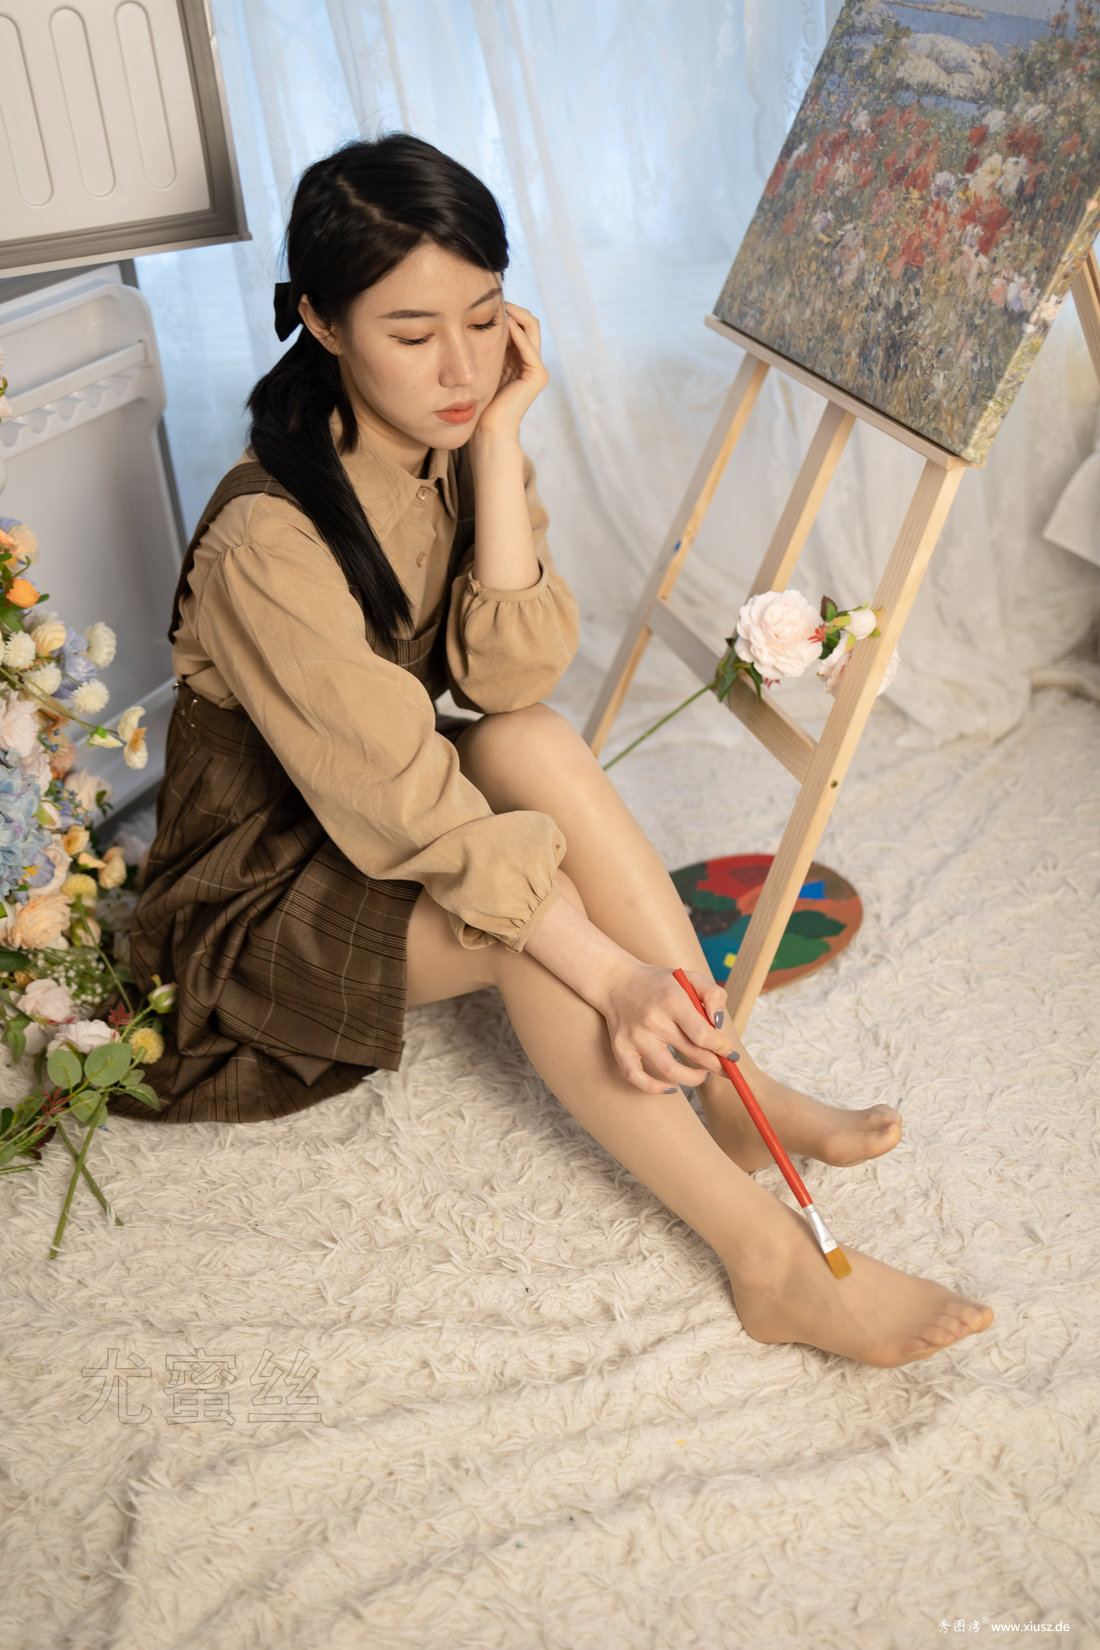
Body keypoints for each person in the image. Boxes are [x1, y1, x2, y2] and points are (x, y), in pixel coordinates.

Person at [118, 134, 993, 1369]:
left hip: (361, 825)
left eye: (484, 319)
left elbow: (507, 682)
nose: (461, 366)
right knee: (525, 922)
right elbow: (403, 797)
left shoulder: (452, 440)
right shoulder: (267, 538)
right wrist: (609, 973)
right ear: (319, 322)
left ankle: (723, 1087)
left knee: (528, 743)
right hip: (256, 900)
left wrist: (495, 446)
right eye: (412, 333)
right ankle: (769, 1260)